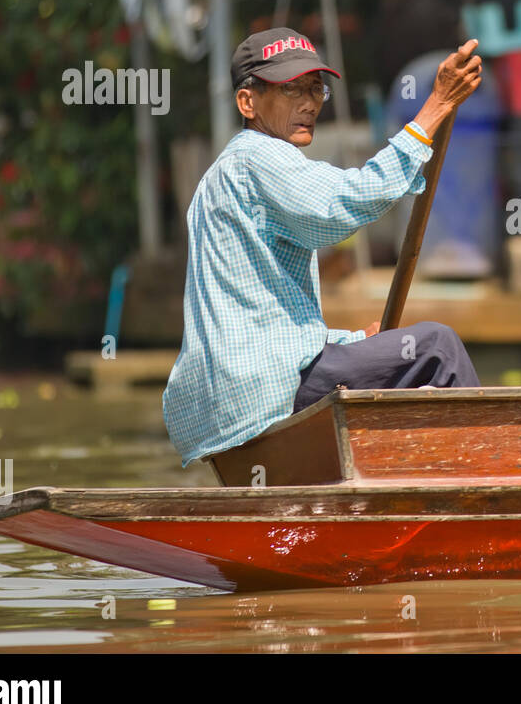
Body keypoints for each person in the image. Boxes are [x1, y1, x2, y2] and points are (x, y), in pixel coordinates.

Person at [162, 27, 483, 467]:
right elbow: (344, 204)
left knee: (399, 352)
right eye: (291, 89)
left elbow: (262, 318)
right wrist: (435, 108)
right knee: (437, 348)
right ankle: (484, 478)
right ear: (247, 103)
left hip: (226, 399)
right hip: (261, 388)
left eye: (315, 89)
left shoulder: (225, 174)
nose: (309, 103)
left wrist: (352, 341)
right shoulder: (257, 157)